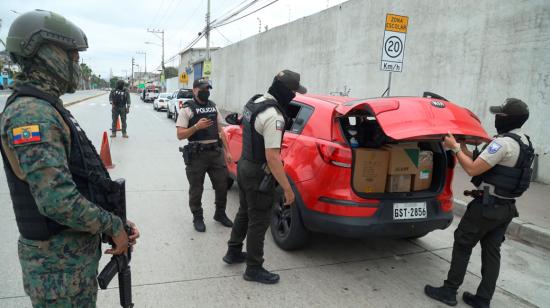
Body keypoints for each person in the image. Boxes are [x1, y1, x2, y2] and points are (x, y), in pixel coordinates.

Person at [0, 10, 140, 307]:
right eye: (72, 56)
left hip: (71, 267)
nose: (76, 64)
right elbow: (57, 201)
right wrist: (112, 226)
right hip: (57, 272)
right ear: (45, 53)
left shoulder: (49, 107)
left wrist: (118, 221)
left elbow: (80, 178)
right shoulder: (32, 114)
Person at [425, 98, 534, 308]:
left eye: (499, 115)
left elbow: (473, 169)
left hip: (486, 207)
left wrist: (455, 149)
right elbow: (482, 161)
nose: (495, 119)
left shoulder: (502, 143)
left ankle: (449, 291)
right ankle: (483, 299)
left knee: (463, 243)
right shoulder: (524, 142)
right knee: (492, 252)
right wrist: (462, 145)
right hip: (506, 208)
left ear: (506, 118)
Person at [223, 70, 306, 284]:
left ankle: (233, 252)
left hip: (243, 165)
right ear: (286, 91)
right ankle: (254, 268)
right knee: (259, 221)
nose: (295, 96)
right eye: (294, 92)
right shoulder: (275, 116)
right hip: (258, 173)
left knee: (244, 211)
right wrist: (287, 188)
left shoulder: (256, 101)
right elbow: (272, 156)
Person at [176, 78, 233, 232]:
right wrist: (196, 127)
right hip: (197, 156)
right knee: (196, 189)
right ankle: (198, 217)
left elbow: (221, 131)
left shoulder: (213, 107)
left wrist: (227, 151)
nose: (206, 91)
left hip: (216, 153)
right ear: (194, 90)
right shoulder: (187, 109)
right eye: (203, 88)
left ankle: (220, 214)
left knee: (222, 186)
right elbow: (180, 135)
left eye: (208, 89)